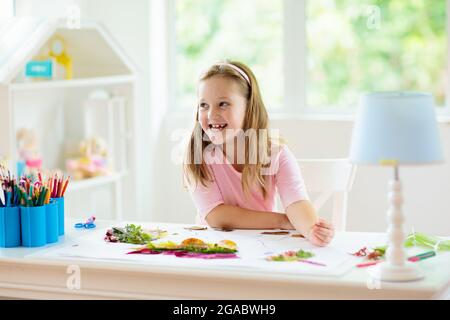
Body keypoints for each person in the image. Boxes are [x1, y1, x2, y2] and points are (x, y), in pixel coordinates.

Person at [183, 61, 334, 246]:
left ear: (249, 107)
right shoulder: (198, 155)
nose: (211, 114)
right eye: (203, 105)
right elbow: (216, 215)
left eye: (223, 104)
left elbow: (296, 201)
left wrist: (311, 229)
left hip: (263, 245)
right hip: (213, 248)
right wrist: (284, 221)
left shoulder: (275, 154)